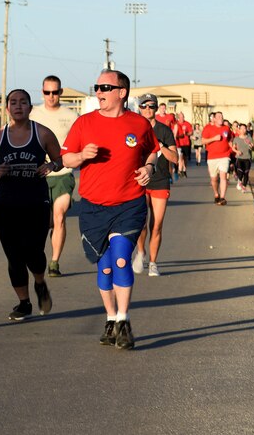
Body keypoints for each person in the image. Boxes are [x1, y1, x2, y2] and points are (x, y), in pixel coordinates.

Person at [61, 70, 158, 350]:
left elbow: (153, 150)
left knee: (120, 261)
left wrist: (148, 168)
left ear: (122, 92)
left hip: (129, 204)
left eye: (105, 87)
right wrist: (81, 156)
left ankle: (124, 322)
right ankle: (111, 317)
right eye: (97, 87)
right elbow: (66, 157)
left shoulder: (139, 124)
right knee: (104, 269)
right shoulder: (84, 122)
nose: (99, 92)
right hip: (93, 207)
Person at [0, 89, 62, 321]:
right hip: (5, 204)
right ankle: (24, 303)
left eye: (23, 102)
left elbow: (60, 159)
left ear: (30, 107)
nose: (18, 106)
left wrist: (51, 166)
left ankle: (40, 282)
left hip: (36, 203)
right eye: (13, 102)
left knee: (33, 252)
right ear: (7, 108)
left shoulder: (43, 133)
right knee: (14, 255)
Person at [29, 75, 79, 277]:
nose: (51, 96)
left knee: (59, 217)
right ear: (42, 92)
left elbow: (79, 144)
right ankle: (39, 252)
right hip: (38, 175)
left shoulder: (71, 116)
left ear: (61, 92)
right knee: (44, 221)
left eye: (55, 92)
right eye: (47, 92)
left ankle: (54, 262)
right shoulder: (33, 114)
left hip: (63, 173)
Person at [134, 93, 178, 277]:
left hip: (160, 181)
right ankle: (141, 252)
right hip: (140, 181)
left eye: (151, 106)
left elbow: (175, 158)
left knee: (157, 224)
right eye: (144, 106)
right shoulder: (134, 129)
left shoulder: (164, 131)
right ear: (139, 108)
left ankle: (153, 262)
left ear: (156, 108)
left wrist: (160, 147)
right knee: (141, 224)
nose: (148, 110)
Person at [201, 111, 232, 205]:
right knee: (214, 179)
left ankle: (222, 198)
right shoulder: (208, 128)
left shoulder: (226, 128)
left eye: (222, 117)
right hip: (212, 157)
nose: (221, 118)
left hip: (225, 156)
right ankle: (216, 194)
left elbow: (230, 139)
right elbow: (203, 141)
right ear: (214, 119)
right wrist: (214, 139)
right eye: (218, 117)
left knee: (223, 177)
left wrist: (233, 148)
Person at [155, 103, 178, 181]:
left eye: (164, 108)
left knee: (169, 160)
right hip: (159, 139)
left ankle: (170, 175)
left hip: (168, 139)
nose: (163, 110)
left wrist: (174, 134)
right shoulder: (156, 117)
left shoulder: (170, 116)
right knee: (161, 159)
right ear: (159, 109)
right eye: (161, 108)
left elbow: (175, 125)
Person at [233, 123, 254, 193]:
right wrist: (237, 151)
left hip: (247, 158)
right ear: (239, 130)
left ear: (246, 129)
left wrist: (252, 147)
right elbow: (233, 148)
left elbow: (253, 149)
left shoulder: (249, 138)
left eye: (244, 128)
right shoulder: (236, 139)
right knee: (240, 171)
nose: (243, 130)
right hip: (239, 158)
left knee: (246, 173)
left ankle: (244, 186)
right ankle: (239, 181)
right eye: (241, 128)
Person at [174, 111, 192, 178]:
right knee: (180, 158)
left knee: (185, 158)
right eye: (180, 117)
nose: (181, 118)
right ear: (178, 117)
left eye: (182, 117)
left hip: (186, 143)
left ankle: (184, 170)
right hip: (179, 143)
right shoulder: (176, 124)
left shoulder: (187, 124)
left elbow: (191, 132)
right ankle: (180, 170)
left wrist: (187, 134)